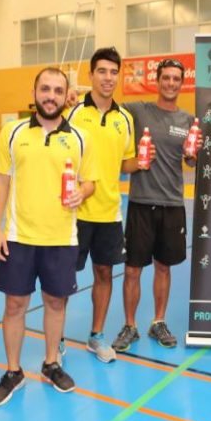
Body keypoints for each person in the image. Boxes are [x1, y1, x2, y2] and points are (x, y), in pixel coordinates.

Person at [0, 67, 96, 405]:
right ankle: (13, 371)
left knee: (55, 302)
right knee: (15, 304)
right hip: (19, 236)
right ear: (34, 93)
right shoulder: (13, 131)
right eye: (45, 89)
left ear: (67, 96)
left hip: (61, 238)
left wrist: (83, 192)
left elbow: (90, 180)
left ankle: (51, 363)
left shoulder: (80, 137)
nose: (51, 95)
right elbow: (1, 180)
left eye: (58, 90)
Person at [110, 58, 199, 352]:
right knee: (133, 269)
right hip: (140, 203)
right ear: (157, 81)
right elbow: (108, 110)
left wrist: (193, 157)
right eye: (166, 78)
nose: (171, 83)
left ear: (181, 83)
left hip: (172, 204)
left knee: (164, 268)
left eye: (176, 79)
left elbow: (191, 160)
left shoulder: (188, 121)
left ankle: (158, 322)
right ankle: (130, 325)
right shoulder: (139, 111)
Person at [63, 47, 138, 363]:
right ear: (90, 75)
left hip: (109, 211)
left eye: (113, 72)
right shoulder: (74, 113)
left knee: (104, 273)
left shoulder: (125, 119)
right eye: (102, 71)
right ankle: (57, 340)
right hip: (74, 212)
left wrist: (145, 161)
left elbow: (127, 163)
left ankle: (96, 336)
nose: (108, 78)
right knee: (63, 279)